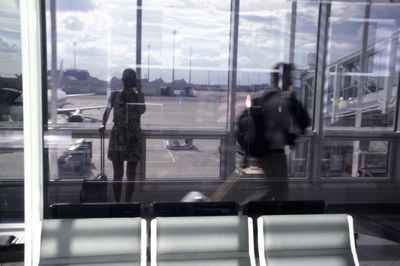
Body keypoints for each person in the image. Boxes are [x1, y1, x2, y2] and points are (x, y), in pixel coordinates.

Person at [256, 62, 310, 201]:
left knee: (272, 190)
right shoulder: (279, 100)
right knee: (280, 194)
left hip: (263, 152)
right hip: (274, 153)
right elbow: (294, 127)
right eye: (289, 77)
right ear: (282, 78)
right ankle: (254, 215)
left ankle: (253, 214)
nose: (291, 81)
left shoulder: (264, 95)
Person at [100, 68, 146, 202]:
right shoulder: (114, 95)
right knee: (118, 175)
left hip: (132, 138)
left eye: (130, 79)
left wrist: (138, 91)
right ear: (123, 80)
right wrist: (103, 124)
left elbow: (142, 110)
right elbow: (107, 111)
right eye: (127, 79)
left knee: (131, 175)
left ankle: (127, 203)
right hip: (119, 137)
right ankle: (117, 203)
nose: (128, 81)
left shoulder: (138, 96)